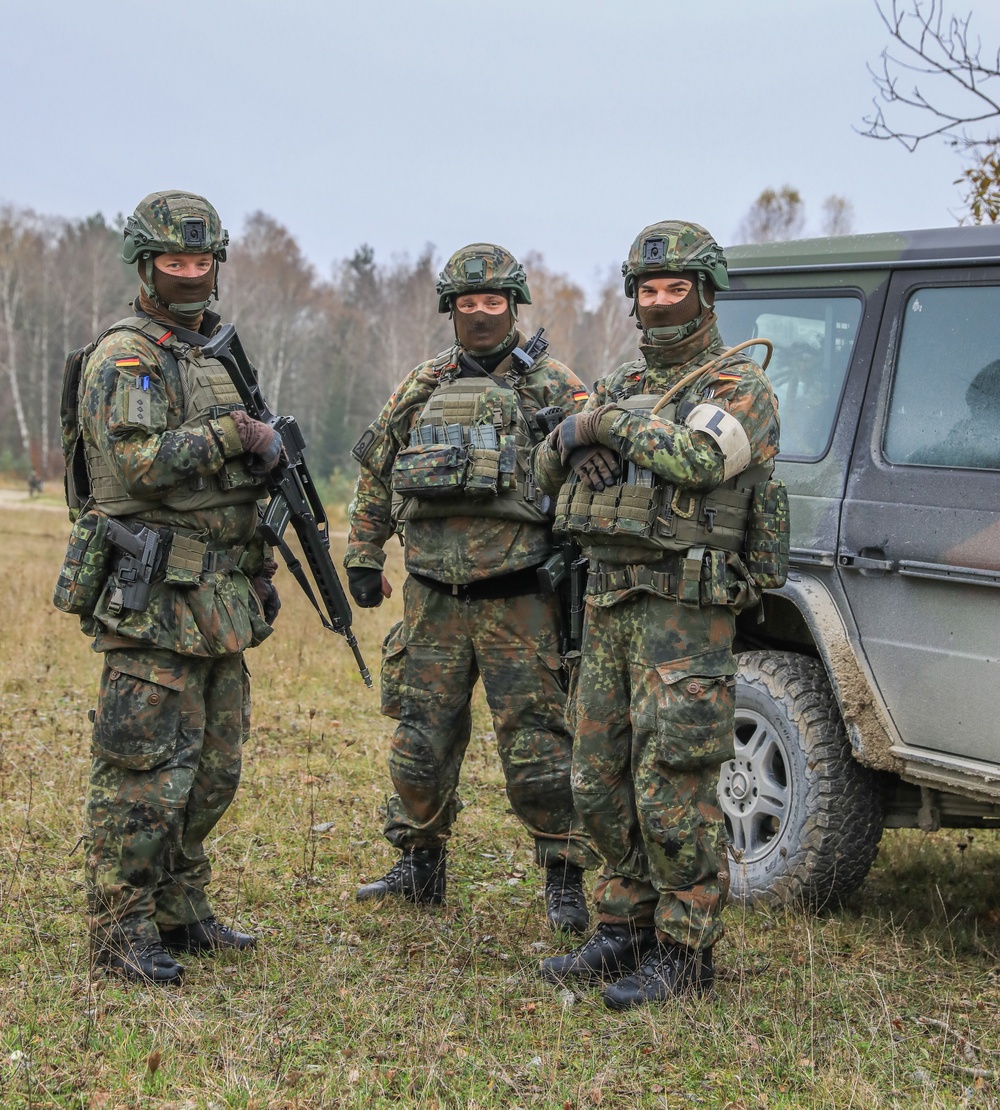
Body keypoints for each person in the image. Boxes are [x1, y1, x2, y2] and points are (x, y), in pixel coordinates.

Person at [533, 221, 780, 1009]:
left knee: (673, 782)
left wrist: (603, 425)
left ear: (705, 296)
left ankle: (684, 949)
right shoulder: (615, 383)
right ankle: (623, 925)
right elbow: (541, 468)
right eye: (649, 290)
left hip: (685, 610)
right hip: (610, 601)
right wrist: (572, 439)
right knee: (598, 778)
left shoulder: (740, 387)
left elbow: (699, 459)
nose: (662, 303)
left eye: (677, 290)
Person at [345, 243, 599, 932]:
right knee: (420, 742)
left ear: (513, 307)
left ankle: (564, 878)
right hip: (431, 598)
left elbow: (599, 471)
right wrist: (364, 554)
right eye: (468, 303)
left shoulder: (554, 386)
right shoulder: (422, 385)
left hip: (520, 599)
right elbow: (378, 470)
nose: (481, 315)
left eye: (493, 303)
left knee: (541, 749)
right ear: (449, 309)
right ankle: (419, 866)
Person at [66, 190, 282, 984]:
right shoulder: (128, 357)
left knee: (215, 765)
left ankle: (179, 906)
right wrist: (234, 436)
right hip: (150, 589)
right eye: (173, 262)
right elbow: (135, 466)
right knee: (142, 771)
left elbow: (242, 488)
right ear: (146, 266)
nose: (189, 275)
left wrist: (259, 569)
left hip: (217, 596)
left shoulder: (213, 356)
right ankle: (119, 930)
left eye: (200, 261)